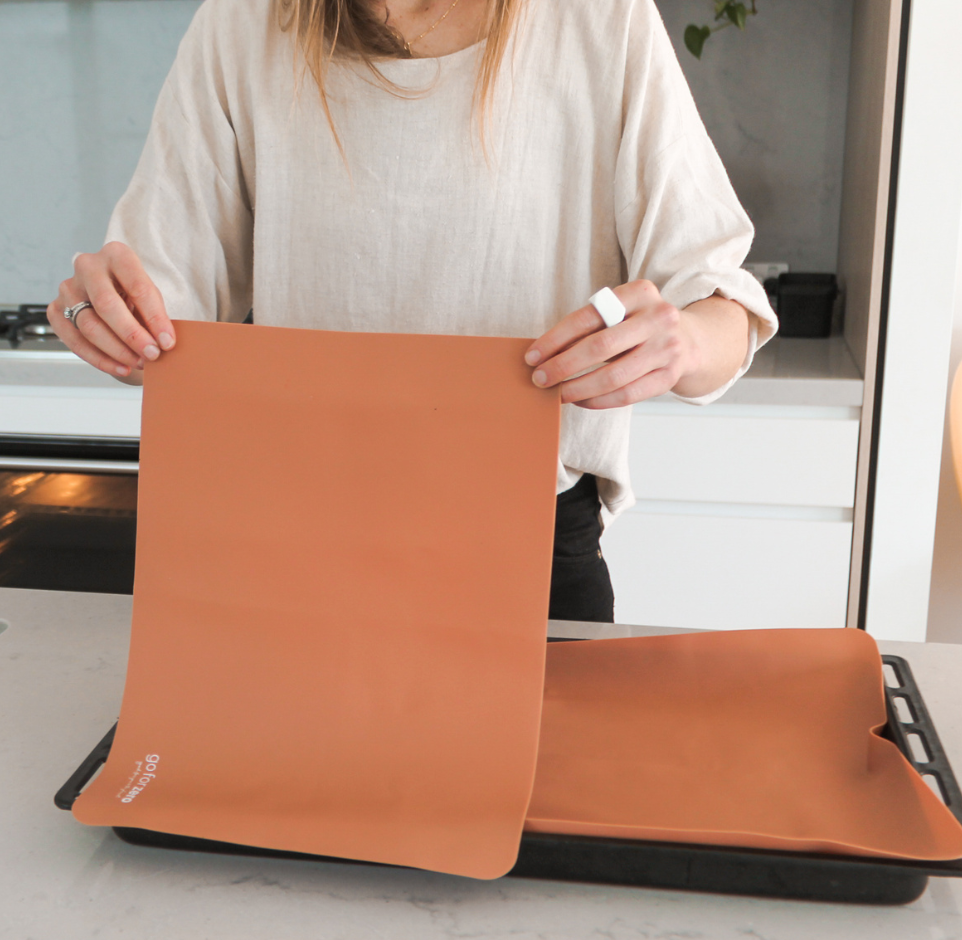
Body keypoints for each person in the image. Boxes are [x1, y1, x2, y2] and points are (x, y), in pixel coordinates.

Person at [47, 0, 777, 624]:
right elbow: (165, 316)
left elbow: (722, 302)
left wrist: (683, 341)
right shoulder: (243, 22)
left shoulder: (599, 18)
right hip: (289, 545)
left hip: (527, 553)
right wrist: (114, 317)